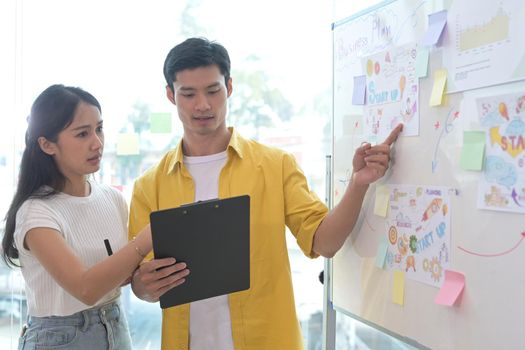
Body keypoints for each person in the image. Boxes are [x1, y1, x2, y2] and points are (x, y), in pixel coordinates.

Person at [128, 37, 403, 350]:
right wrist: (145, 286)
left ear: (229, 87)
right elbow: (140, 284)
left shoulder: (276, 166)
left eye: (213, 90)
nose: (202, 105)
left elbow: (324, 242)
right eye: (188, 94)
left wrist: (359, 183)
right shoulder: (149, 185)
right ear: (170, 95)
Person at [1, 84, 189, 350]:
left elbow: (121, 276)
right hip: (59, 339)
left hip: (116, 327)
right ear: (47, 144)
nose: (97, 143)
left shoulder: (112, 198)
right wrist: (148, 238)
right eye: (82, 134)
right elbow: (86, 289)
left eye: (99, 128)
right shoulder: (35, 212)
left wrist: (146, 280)